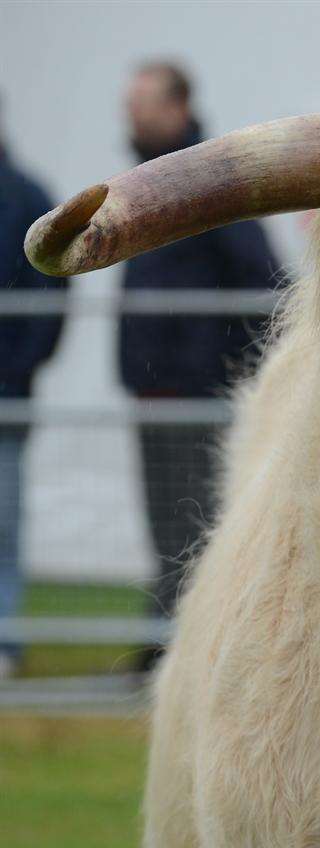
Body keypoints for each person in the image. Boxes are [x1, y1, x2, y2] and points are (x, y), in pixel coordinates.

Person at [120, 62, 279, 670]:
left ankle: (186, 649)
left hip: (196, 394)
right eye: (131, 102)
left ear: (179, 105)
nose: (133, 113)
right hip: (154, 391)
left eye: (145, 102)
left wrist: (223, 370)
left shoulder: (208, 187)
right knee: (167, 526)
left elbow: (263, 282)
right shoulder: (145, 184)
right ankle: (169, 640)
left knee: (195, 526)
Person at [0, 106, 67, 678]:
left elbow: (49, 298)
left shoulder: (26, 198)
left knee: (2, 518)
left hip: (5, 397)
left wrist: (15, 370)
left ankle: (5, 641)